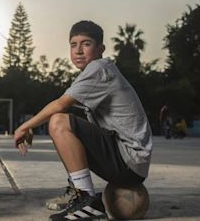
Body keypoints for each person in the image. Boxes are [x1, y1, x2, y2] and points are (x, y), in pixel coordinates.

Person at [14, 20, 153, 221]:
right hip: (130, 163)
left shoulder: (99, 68)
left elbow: (60, 105)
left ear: (100, 49)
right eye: (73, 45)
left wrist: (25, 126)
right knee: (71, 123)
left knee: (59, 121)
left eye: (86, 44)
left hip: (129, 160)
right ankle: (77, 192)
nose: (78, 50)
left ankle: (87, 201)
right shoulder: (92, 73)